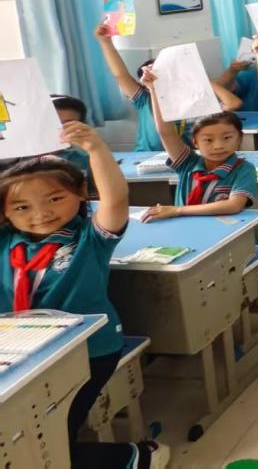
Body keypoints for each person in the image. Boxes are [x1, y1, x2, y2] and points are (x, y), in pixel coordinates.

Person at [0, 125, 169, 467]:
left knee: (46, 441)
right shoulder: (6, 242)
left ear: (80, 192)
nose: (40, 214)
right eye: (21, 207)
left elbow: (115, 199)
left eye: (54, 199)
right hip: (19, 352)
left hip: (88, 351)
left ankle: (134, 456)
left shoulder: (89, 239)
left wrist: (96, 149)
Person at [93, 23, 239, 151]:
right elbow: (120, 75)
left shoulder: (193, 100)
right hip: (146, 156)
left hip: (183, 159)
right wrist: (106, 42)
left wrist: (197, 76)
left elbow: (233, 103)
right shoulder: (145, 99)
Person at [139, 73, 255, 222]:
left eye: (227, 138)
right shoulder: (188, 163)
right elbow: (165, 132)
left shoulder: (243, 169)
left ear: (240, 138)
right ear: (195, 142)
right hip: (184, 229)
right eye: (208, 140)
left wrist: (177, 210)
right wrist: (154, 89)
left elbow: (233, 205)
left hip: (223, 230)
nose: (218, 146)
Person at [51, 94, 92, 182]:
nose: (58, 129)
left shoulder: (87, 159)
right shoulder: (20, 158)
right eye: (52, 122)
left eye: (67, 124)